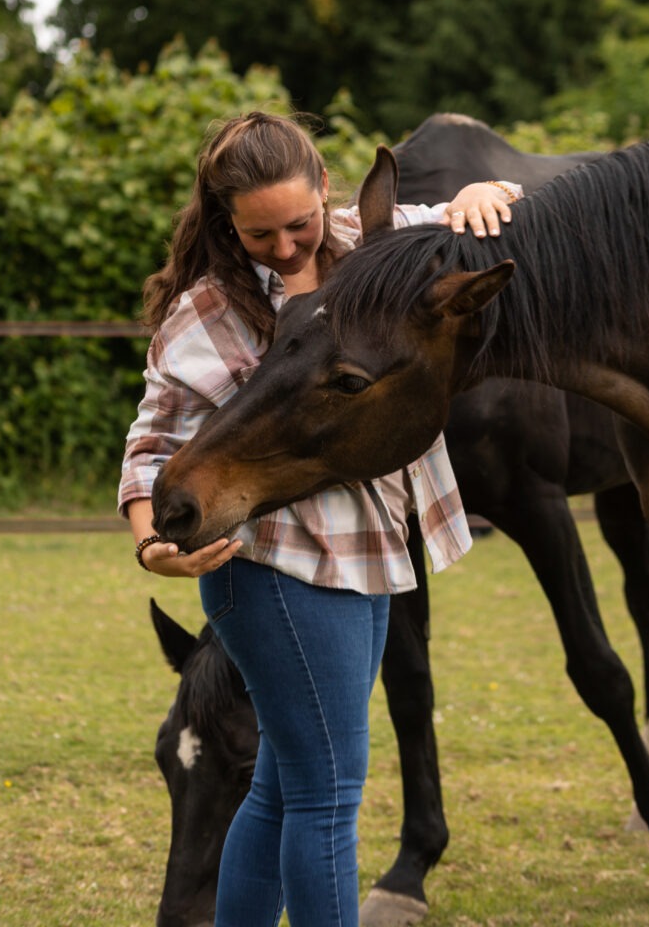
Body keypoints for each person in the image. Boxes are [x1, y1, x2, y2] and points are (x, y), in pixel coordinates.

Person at [118, 110, 522, 927]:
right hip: (273, 569)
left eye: (298, 223)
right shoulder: (209, 309)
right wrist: (147, 543)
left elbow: (491, 207)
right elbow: (150, 441)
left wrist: (487, 190)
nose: (286, 247)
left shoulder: (368, 247)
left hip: (368, 558)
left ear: (326, 193)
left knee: (282, 784)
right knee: (327, 795)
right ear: (225, 221)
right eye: (260, 234)